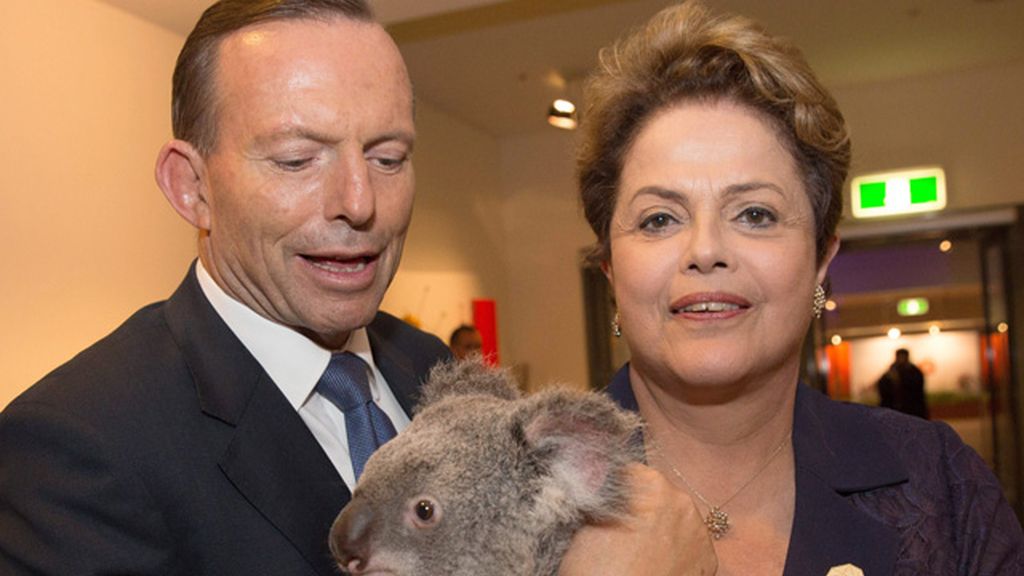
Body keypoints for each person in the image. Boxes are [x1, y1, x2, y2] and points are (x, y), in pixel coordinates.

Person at [561, 2, 1023, 575]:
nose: (706, 250)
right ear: (611, 269)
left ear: (820, 259)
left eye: (755, 213)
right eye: (660, 219)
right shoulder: (516, 498)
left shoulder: (943, 488)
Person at [0, 1, 450, 574]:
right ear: (191, 186)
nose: (360, 203)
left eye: (388, 158)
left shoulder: (428, 366)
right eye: (296, 160)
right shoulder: (79, 447)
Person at [877, 348, 930, 419]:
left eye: (903, 357)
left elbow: (916, 390)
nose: (901, 359)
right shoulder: (891, 371)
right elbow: (883, 387)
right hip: (895, 411)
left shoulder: (914, 372)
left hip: (913, 410)